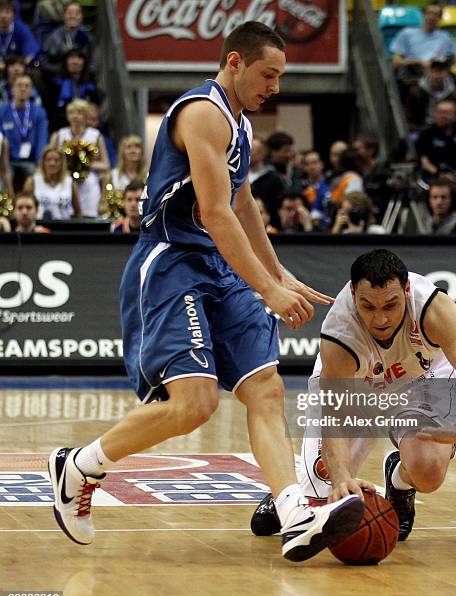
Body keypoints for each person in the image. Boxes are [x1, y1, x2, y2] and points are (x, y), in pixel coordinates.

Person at [47, 21, 365, 563]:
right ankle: (79, 466)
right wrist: (267, 288)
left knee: (266, 389)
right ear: (236, 62)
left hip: (221, 265)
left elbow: (242, 205)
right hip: (173, 260)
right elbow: (216, 214)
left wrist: (277, 271)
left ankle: (294, 515)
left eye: (281, 77)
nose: (275, 87)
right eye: (269, 74)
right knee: (194, 404)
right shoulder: (201, 113)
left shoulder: (240, 125)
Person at [250, 249, 456, 542]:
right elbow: (336, 415)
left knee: (428, 471)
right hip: (360, 384)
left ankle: (399, 481)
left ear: (406, 291)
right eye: (368, 306)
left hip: (421, 379)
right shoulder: (339, 334)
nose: (380, 318)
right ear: (354, 293)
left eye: (390, 306)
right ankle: (297, 491)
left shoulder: (434, 310)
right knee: (328, 498)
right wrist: (341, 477)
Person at [49, 98, 110, 217]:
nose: (75, 116)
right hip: (64, 179)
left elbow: (106, 165)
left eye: (79, 112)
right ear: (67, 116)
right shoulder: (59, 135)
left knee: (89, 215)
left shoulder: (95, 135)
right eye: (72, 113)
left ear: (86, 116)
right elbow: (48, 160)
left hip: (88, 180)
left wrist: (83, 165)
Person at [0, 73, 49, 190]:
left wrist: (39, 165)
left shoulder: (39, 112)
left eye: (27, 86)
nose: (23, 89)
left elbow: (42, 140)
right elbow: (0, 140)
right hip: (7, 161)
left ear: (31, 90)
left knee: (39, 182)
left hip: (31, 161)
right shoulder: (2, 111)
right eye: (19, 85)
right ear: (12, 89)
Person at [390, 4, 456, 82]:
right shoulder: (407, 33)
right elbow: (396, 61)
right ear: (423, 15)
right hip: (415, 73)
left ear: (440, 18)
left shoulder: (445, 36)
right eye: (429, 13)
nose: (432, 17)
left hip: (439, 73)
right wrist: (418, 61)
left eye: (436, 14)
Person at [23, 144, 80, 219]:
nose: (52, 163)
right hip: (40, 226)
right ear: (43, 162)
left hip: (64, 226)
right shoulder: (32, 181)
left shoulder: (70, 183)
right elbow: (24, 207)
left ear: (62, 163)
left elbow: (78, 212)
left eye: (56, 160)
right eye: (48, 160)